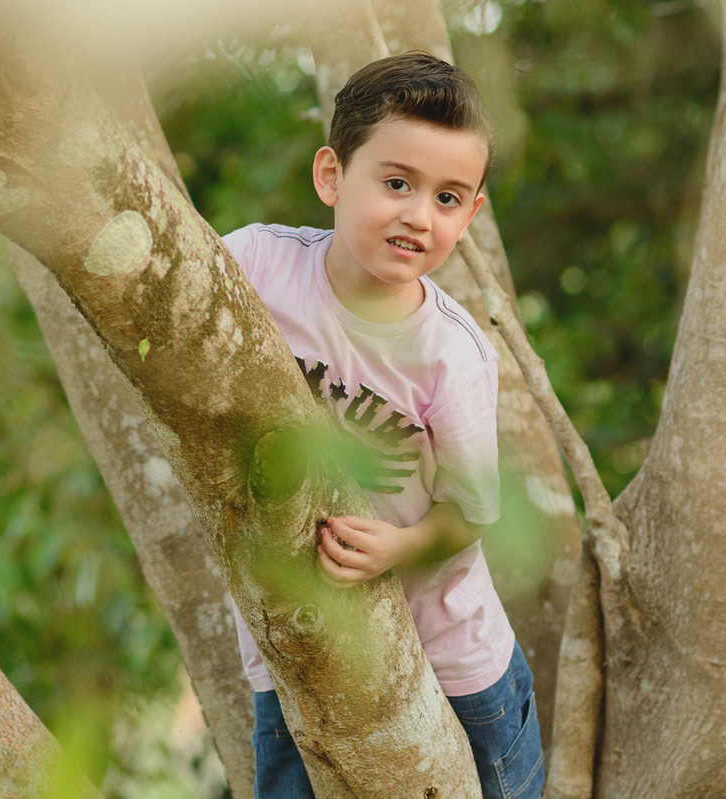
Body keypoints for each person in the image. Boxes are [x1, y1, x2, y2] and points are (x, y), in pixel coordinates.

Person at [223, 52, 544, 798]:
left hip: (453, 662)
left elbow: (471, 510)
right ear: (332, 175)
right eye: (396, 182)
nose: (417, 214)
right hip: (294, 650)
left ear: (471, 216)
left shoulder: (449, 356)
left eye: (447, 197)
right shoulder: (260, 267)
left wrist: (400, 545)